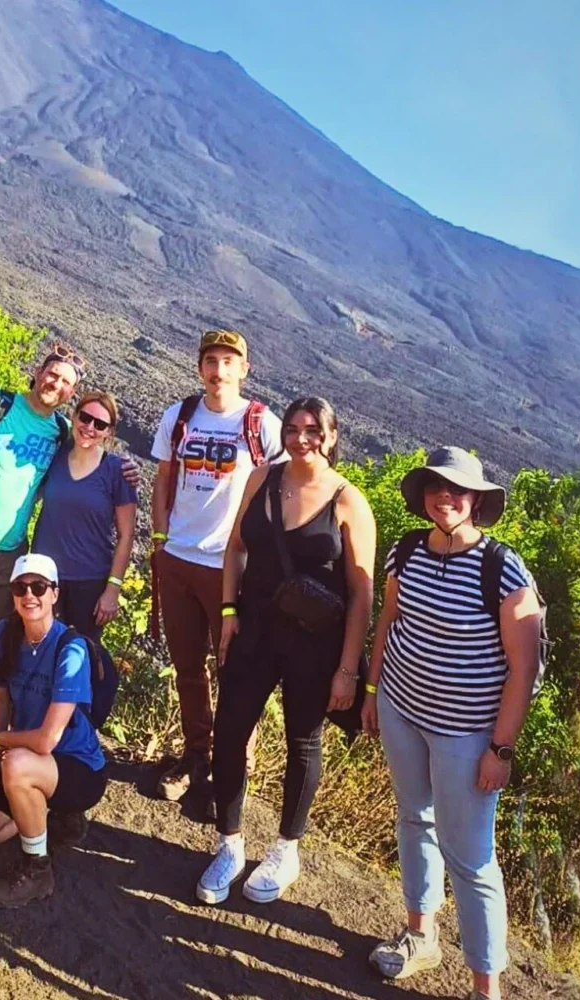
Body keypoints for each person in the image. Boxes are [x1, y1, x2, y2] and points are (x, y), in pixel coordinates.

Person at [361, 447, 544, 1000]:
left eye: (458, 491)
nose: (447, 498)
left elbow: (524, 667)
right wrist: (372, 691)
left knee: (471, 859)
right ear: (423, 496)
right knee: (414, 819)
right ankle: (421, 937)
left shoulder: (502, 569)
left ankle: (484, 988)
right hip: (402, 709)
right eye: (437, 488)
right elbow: (389, 619)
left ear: (476, 501)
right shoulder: (407, 550)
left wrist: (501, 750)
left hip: (466, 735)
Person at [196, 398, 376, 905]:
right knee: (229, 731)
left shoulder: (347, 501)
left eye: (313, 430)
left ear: (332, 436)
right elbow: (235, 548)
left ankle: (286, 848)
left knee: (303, 741)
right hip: (254, 628)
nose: (301, 439)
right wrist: (228, 613)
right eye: (293, 428)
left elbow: (362, 593)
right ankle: (228, 843)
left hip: (314, 644)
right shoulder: (262, 479)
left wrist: (347, 669)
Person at [0, 346, 136, 734]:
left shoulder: (59, 434)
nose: (55, 384)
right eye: (52, 374)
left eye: (66, 382)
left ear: (70, 394)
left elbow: (95, 468)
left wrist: (128, 467)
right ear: (38, 372)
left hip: (10, 555)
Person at [149, 329, 283, 803]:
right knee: (188, 667)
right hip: (179, 561)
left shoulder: (261, 424)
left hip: (232, 568)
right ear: (200, 366)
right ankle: (197, 755)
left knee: (236, 673)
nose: (219, 369)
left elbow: (284, 489)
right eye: (211, 360)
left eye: (229, 361)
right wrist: (161, 539)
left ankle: (234, 771)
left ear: (244, 369)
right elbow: (163, 477)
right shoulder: (180, 416)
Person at [0, 553, 109, 909]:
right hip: (22, 759)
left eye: (39, 587)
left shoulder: (71, 649)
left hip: (76, 766)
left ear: (54, 593)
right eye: (21, 587)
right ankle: (43, 817)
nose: (29, 595)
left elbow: (46, 739)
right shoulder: (5, 634)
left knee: (19, 764)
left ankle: (37, 869)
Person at [30, 391, 137, 641]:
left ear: (109, 432)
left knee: (80, 657)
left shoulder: (117, 471)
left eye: (100, 424)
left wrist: (113, 588)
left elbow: (127, 535)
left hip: (89, 582)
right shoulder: (54, 456)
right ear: (74, 416)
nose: (89, 427)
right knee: (40, 651)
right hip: (44, 576)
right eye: (85, 418)